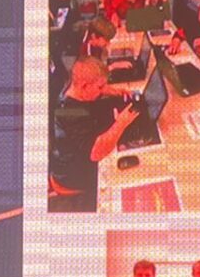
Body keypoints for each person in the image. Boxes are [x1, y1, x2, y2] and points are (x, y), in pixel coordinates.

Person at [48, 56, 137, 213]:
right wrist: (121, 123)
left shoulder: (72, 86)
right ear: (84, 86)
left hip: (73, 156)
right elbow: (95, 153)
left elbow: (92, 84)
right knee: (129, 179)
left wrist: (113, 91)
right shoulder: (70, 112)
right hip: (71, 175)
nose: (103, 90)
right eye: (100, 87)